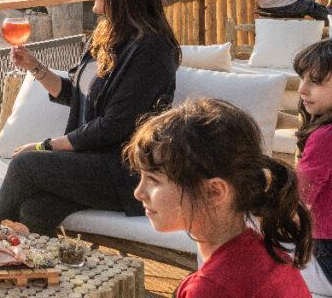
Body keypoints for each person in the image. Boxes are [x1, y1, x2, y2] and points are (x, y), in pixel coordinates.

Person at [0, 0, 180, 234]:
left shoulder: (152, 49)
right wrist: (35, 67)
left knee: (25, 164)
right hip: (89, 163)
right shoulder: (107, 35)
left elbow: (115, 125)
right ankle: (30, 272)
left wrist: (45, 146)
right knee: (34, 210)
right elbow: (80, 97)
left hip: (125, 171)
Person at [124, 98, 312, 298]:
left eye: (153, 180)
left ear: (213, 192)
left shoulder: (212, 288)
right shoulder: (269, 256)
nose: (139, 192)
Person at [292, 40, 332, 296]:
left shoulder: (325, 136)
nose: (302, 89)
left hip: (324, 255)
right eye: (302, 78)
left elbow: (297, 201)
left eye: (315, 82)